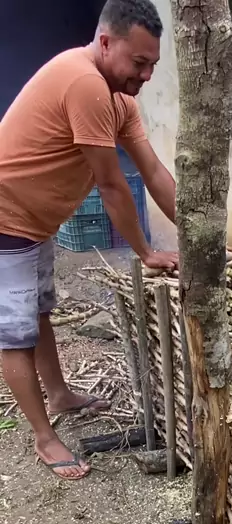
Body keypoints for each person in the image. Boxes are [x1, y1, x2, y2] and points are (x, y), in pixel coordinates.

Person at [0, 0, 177, 479]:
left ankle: (59, 395)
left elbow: (154, 172)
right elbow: (112, 184)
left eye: (152, 64)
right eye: (138, 62)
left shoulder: (120, 100)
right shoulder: (84, 82)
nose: (146, 75)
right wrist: (146, 251)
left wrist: (196, 236)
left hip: (35, 221)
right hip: (5, 218)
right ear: (105, 42)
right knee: (15, 333)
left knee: (39, 312)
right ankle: (45, 438)